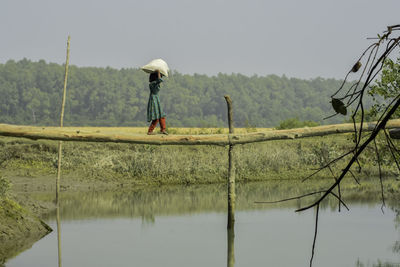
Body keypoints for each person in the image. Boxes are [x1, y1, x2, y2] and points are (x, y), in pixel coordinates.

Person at [147, 69, 168, 135]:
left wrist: (159, 73)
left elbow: (159, 80)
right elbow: (159, 80)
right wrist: (158, 72)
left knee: (161, 115)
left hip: (156, 99)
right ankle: (150, 131)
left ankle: (163, 129)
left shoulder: (154, 83)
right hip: (154, 100)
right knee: (156, 116)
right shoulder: (152, 84)